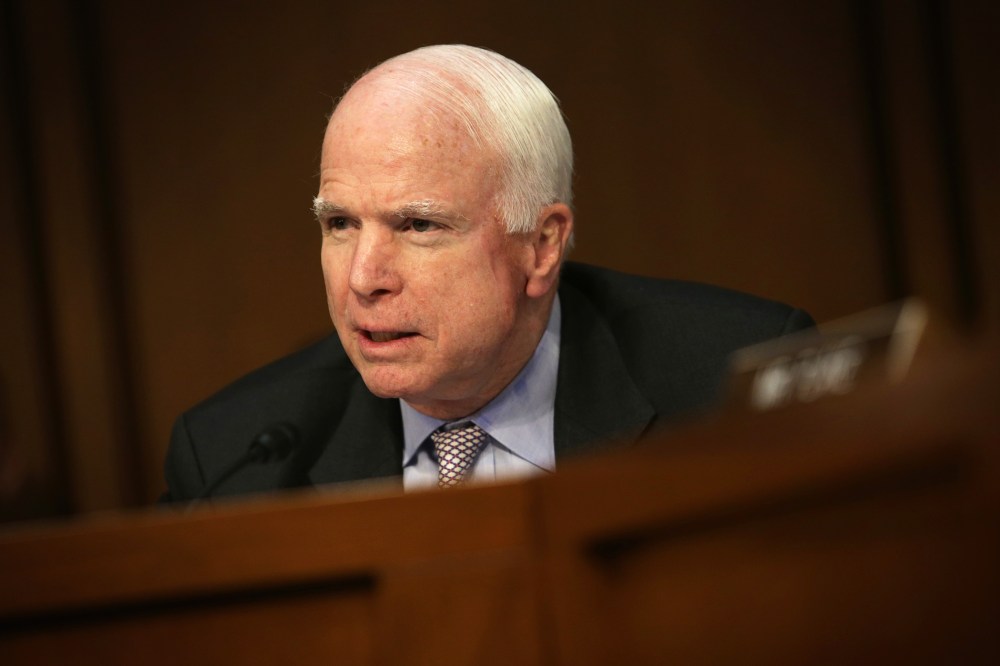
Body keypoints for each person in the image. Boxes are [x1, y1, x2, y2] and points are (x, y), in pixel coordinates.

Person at [162, 45, 813, 502]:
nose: (364, 278)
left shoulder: (736, 384)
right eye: (340, 225)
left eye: (418, 226)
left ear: (541, 245)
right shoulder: (233, 459)